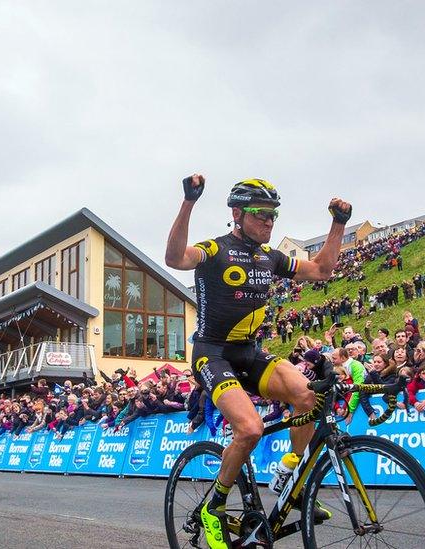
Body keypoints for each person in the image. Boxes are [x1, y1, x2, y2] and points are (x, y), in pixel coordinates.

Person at [165, 174, 351, 547]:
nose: (268, 222)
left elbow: (321, 270)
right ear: (237, 213)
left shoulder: (270, 257)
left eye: (272, 216)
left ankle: (290, 477)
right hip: (213, 353)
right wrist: (189, 202)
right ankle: (213, 506)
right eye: (260, 214)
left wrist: (338, 224)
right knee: (249, 429)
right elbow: (175, 258)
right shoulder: (215, 250)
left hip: (248, 352)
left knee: (306, 396)